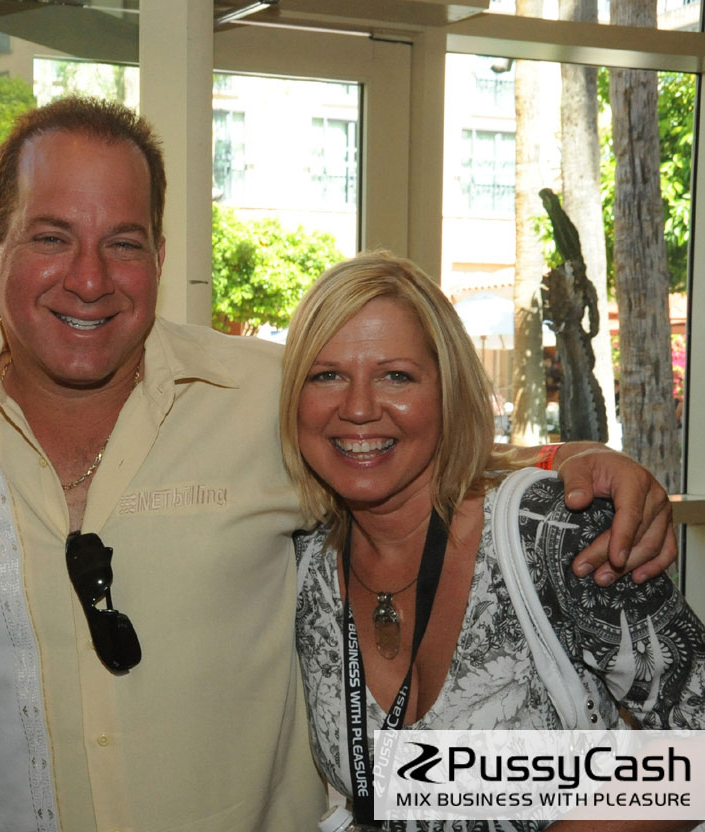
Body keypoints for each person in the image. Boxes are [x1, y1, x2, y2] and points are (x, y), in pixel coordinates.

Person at [0, 96, 677, 832]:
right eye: (51, 238)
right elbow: (387, 783)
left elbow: (424, 452)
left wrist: (579, 461)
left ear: (157, 255)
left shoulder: (270, 396)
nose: (89, 279)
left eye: (123, 243)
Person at [284, 251, 705, 831]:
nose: (357, 408)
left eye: (396, 376)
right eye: (326, 375)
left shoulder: (554, 534)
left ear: (448, 391)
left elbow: (697, 744)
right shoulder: (300, 565)